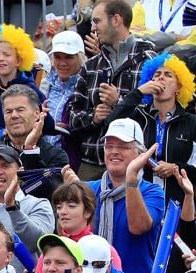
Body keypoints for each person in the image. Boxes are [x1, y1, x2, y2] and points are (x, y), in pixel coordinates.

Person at [67, 0, 157, 180]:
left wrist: (119, 103)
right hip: (92, 165)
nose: (93, 28)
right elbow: (71, 116)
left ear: (116, 20)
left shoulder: (150, 62)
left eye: (97, 21)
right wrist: (93, 118)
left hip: (136, 167)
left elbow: (156, 117)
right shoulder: (90, 66)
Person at [106, 52, 196, 203]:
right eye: (156, 74)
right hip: (139, 197)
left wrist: (175, 168)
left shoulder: (191, 122)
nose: (160, 77)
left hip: (177, 201)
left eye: (168, 75)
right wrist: (138, 92)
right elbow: (111, 123)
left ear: (179, 87)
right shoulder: (138, 116)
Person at [83, 118, 166, 273]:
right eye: (109, 146)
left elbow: (138, 227)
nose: (114, 151)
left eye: (122, 146)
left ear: (140, 154)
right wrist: (67, 198)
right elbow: (67, 233)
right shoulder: (88, 189)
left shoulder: (153, 192)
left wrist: (131, 176)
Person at [0, 84, 70, 199]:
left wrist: (30, 151)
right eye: (8, 111)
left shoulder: (55, 155)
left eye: (20, 110)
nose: (14, 115)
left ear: (37, 113)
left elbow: (51, 196)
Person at [0, 24, 47, 144]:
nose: (1, 58)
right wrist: (0, 132)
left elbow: (48, 126)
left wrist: (44, 116)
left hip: (27, 146)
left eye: (6, 55)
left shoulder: (30, 88)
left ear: (19, 60)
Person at [45, 31, 84, 150]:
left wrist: (69, 128)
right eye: (57, 57)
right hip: (42, 156)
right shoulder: (43, 84)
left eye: (68, 57)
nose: (62, 63)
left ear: (80, 58)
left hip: (71, 159)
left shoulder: (87, 85)